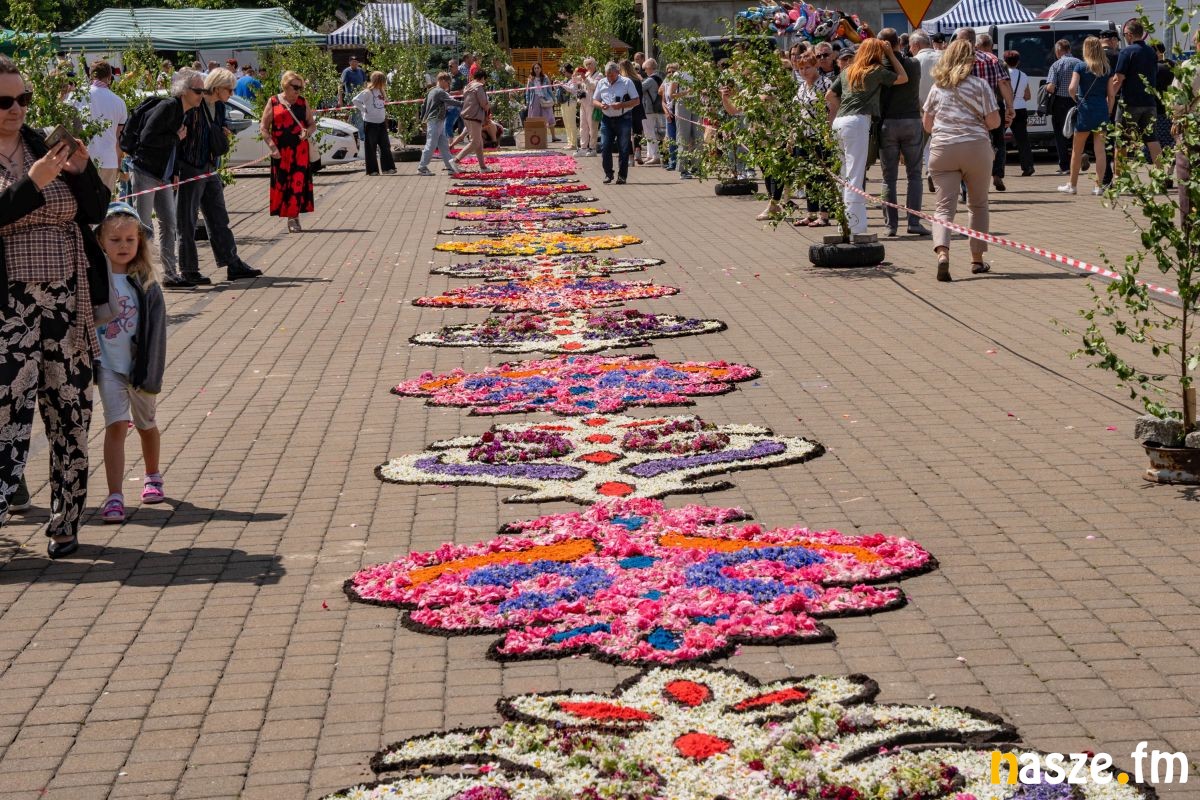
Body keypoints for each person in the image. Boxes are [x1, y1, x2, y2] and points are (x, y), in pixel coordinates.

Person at [0, 54, 112, 557]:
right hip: (8, 308)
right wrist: (35, 183)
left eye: (22, 98)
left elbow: (96, 210)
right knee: (5, 415)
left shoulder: (44, 144)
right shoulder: (37, 166)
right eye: (4, 101)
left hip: (67, 304)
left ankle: (66, 521)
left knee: (70, 411)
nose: (16, 109)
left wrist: (82, 171)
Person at [94, 203, 167, 524]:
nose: (123, 246)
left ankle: (153, 475)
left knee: (146, 425)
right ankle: (115, 495)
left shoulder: (146, 283)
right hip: (108, 367)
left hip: (140, 369)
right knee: (115, 425)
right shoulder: (93, 279)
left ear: (139, 241)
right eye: (115, 240)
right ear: (100, 241)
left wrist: (151, 372)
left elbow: (157, 334)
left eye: (129, 239)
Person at [922, 39, 1000, 282]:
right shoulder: (980, 85)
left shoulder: (937, 88)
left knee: (944, 207)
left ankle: (942, 254)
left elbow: (927, 125)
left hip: (943, 149)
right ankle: (976, 259)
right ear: (970, 61)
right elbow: (994, 122)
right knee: (978, 205)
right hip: (975, 148)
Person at [177, 68, 262, 283]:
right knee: (187, 220)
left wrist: (224, 132)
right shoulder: (195, 104)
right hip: (191, 166)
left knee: (219, 217)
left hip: (210, 165)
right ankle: (188, 269)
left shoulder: (221, 106)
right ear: (216, 88)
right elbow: (183, 135)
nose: (232, 94)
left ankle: (232, 263)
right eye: (229, 89)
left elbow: (216, 129)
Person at [826, 39, 908, 235]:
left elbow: (829, 95)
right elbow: (903, 77)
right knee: (855, 173)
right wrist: (890, 54)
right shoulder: (875, 71)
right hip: (858, 121)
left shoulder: (848, 70)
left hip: (840, 121)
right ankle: (855, 226)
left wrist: (842, 108)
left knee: (843, 173)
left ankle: (843, 223)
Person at [130, 68, 202, 288]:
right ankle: (142, 276)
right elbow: (147, 138)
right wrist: (175, 137)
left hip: (165, 176)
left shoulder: (184, 111)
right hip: (146, 171)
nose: (202, 95)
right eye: (198, 90)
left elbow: (176, 148)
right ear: (184, 91)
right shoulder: (168, 107)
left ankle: (170, 274)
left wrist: (176, 171)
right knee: (143, 226)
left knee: (169, 223)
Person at [877, 28, 929, 237]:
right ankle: (914, 222)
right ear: (899, 42)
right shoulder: (914, 64)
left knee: (888, 178)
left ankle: (891, 225)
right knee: (914, 175)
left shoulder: (877, 68)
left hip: (887, 123)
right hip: (911, 121)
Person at [958, 29, 1015, 191]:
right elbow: (1003, 83)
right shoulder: (992, 59)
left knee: (967, 144)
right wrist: (1010, 107)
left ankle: (967, 184)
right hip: (992, 108)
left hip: (966, 111)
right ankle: (997, 174)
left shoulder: (956, 60)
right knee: (998, 141)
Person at [262, 70, 316, 233]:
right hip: (281, 152)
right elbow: (264, 128)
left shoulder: (302, 102)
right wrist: (272, 147)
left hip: (300, 151)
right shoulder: (273, 101)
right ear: (285, 85)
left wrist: (307, 132)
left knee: (297, 184)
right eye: (295, 87)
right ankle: (289, 215)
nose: (298, 91)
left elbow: (312, 124)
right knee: (283, 184)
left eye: (300, 88)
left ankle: (293, 218)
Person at [1058, 37, 1112, 195]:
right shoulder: (1106, 68)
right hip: (1101, 110)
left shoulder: (1080, 66)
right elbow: (1111, 95)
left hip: (1085, 110)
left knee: (1077, 150)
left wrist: (1077, 100)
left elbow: (1071, 88)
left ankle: (1072, 185)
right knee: (1100, 151)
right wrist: (1108, 111)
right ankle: (1098, 186)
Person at [1111, 18, 1162, 176]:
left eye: (1125, 34)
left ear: (1130, 35)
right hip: (1149, 103)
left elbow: (1118, 79)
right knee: (1152, 139)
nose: (1125, 37)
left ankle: (1119, 178)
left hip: (1129, 103)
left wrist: (1110, 97)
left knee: (1121, 141)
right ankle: (1161, 175)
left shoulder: (1126, 52)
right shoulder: (1151, 52)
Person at [792, 52, 834, 227]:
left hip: (820, 135)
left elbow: (833, 108)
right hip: (803, 136)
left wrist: (828, 131)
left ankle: (824, 215)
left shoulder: (825, 84)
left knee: (822, 176)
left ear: (816, 66)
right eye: (800, 68)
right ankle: (811, 213)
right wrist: (792, 135)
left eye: (807, 67)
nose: (804, 71)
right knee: (807, 176)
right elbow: (798, 112)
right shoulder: (802, 87)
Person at [79, 60, 127, 193]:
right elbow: (119, 138)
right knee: (104, 202)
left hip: (83, 159)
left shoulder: (78, 96)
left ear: (90, 75)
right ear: (109, 77)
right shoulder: (119, 102)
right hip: (109, 160)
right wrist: (118, 163)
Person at [594, 61, 639, 185]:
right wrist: (600, 105)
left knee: (623, 148)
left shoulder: (627, 82)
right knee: (605, 147)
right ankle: (608, 174)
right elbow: (594, 100)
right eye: (607, 75)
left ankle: (622, 176)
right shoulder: (601, 82)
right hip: (606, 119)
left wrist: (622, 105)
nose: (609, 78)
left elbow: (636, 101)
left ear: (618, 72)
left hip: (623, 118)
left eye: (612, 75)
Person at [1045, 39, 1084, 175]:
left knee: (1060, 134)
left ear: (1058, 50)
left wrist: (1045, 88)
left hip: (1060, 103)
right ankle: (1078, 159)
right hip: (1077, 101)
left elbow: (1051, 87)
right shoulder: (1080, 63)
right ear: (1069, 49)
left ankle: (1065, 165)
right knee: (1077, 132)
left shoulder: (1056, 65)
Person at [417, 72, 462, 175]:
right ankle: (422, 168)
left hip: (436, 121)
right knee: (431, 144)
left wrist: (423, 119)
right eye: (448, 82)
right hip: (436, 120)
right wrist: (464, 103)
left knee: (444, 145)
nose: (449, 85)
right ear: (441, 80)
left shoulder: (431, 91)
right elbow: (451, 102)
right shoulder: (440, 91)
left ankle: (450, 167)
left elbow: (423, 106)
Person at [353, 71, 396, 176]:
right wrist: (364, 109)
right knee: (371, 147)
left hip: (381, 122)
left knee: (385, 145)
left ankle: (388, 168)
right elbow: (355, 100)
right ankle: (372, 170)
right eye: (383, 80)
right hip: (370, 123)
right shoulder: (367, 92)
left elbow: (384, 102)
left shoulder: (381, 91)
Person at [449, 66, 491, 173]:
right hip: (474, 116)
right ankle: (455, 160)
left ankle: (483, 167)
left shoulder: (468, 86)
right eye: (485, 79)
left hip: (467, 115)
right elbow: (483, 103)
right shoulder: (479, 86)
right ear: (482, 78)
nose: (485, 82)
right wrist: (489, 106)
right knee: (475, 142)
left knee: (479, 143)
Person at [1003, 50, 1035, 176]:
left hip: (1005, 109)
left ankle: (997, 169)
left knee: (998, 140)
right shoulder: (1024, 75)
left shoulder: (1002, 74)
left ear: (1005, 61)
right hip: (1021, 109)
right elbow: (1028, 96)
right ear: (1018, 62)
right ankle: (1028, 166)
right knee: (1023, 140)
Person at [620, 60, 646, 163]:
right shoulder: (637, 80)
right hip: (638, 107)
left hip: (627, 108)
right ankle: (638, 151)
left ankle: (630, 156)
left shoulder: (623, 81)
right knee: (637, 131)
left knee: (625, 132)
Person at [640, 58, 665, 165]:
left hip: (649, 109)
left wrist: (639, 79)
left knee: (649, 132)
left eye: (645, 69)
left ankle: (655, 156)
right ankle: (650, 155)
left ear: (650, 68)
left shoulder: (650, 80)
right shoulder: (659, 78)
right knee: (649, 132)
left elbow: (639, 89)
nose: (645, 71)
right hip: (657, 108)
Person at [524, 62, 557, 143]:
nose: (536, 69)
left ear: (541, 68)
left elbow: (549, 89)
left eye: (538, 68)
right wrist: (528, 101)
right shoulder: (530, 79)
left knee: (549, 116)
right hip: (534, 99)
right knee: (535, 118)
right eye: (535, 68)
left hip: (545, 98)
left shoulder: (545, 78)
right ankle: (537, 137)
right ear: (533, 69)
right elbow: (528, 91)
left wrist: (553, 98)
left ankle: (553, 137)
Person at [339, 56, 367, 139]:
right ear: (349, 63)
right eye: (352, 61)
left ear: (358, 62)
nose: (354, 63)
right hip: (351, 98)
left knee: (354, 117)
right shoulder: (346, 72)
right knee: (358, 117)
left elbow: (365, 83)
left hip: (361, 98)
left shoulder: (361, 71)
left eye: (355, 61)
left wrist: (366, 95)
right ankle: (361, 137)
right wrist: (340, 99)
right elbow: (340, 85)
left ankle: (350, 134)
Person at [578, 58, 600, 156]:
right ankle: (583, 147)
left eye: (590, 64)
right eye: (586, 64)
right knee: (583, 126)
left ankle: (592, 148)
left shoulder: (599, 75)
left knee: (592, 126)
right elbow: (580, 84)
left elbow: (594, 86)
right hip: (583, 103)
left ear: (594, 64)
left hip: (592, 104)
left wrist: (585, 79)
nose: (588, 66)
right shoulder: (586, 74)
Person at [559, 63, 580, 150]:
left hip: (571, 103)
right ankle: (569, 142)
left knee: (571, 123)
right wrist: (559, 85)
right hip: (564, 103)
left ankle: (574, 144)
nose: (563, 73)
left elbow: (572, 90)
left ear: (568, 70)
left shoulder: (574, 78)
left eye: (564, 71)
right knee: (567, 124)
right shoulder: (566, 80)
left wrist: (562, 85)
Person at [662, 63, 679, 170]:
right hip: (669, 113)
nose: (671, 73)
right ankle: (672, 162)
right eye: (669, 72)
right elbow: (663, 101)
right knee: (671, 139)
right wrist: (666, 112)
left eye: (673, 71)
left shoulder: (680, 83)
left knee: (681, 138)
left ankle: (682, 162)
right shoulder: (666, 83)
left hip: (679, 113)